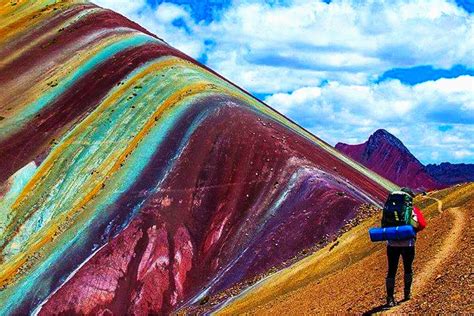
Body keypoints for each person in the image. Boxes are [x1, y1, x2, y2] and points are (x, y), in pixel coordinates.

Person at [385, 187, 424, 308]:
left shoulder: (390, 209)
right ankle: (407, 294)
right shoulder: (412, 210)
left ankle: (390, 298)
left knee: (391, 270)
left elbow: (384, 224)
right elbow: (420, 225)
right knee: (408, 268)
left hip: (392, 244)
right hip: (408, 244)